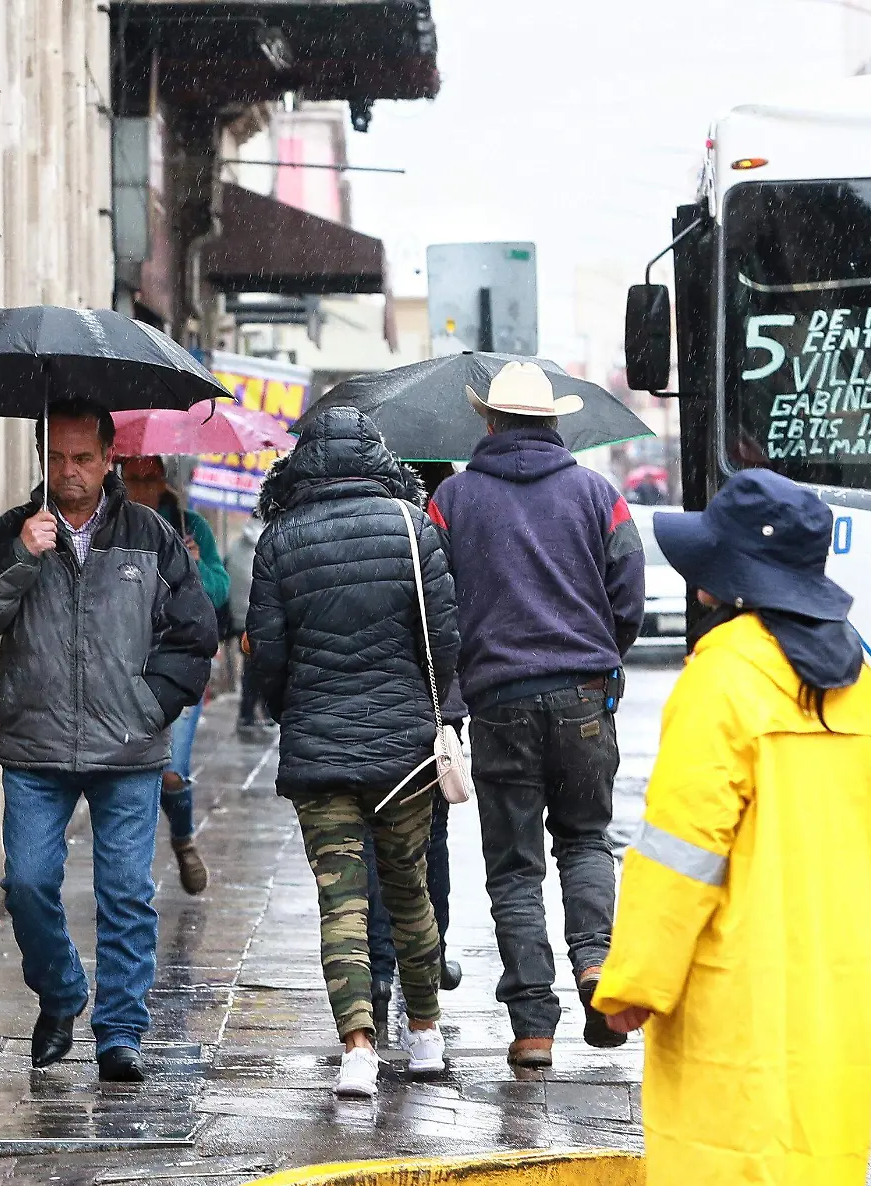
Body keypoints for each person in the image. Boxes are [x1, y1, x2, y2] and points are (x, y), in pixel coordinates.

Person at [592, 469, 871, 1185]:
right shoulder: (865, 697)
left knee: (726, 1155)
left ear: (731, 578)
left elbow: (681, 852)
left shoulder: (724, 681)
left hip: (735, 992)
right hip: (837, 990)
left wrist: (634, 984)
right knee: (816, 1153)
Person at [0, 399, 217, 1084]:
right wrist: (20, 557)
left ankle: (120, 1032)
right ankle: (62, 992)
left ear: (107, 459)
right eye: (58, 459)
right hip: (36, 748)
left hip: (127, 749)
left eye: (84, 459)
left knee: (125, 893)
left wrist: (148, 705)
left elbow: (193, 634)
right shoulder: (14, 533)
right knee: (28, 884)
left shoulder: (151, 536)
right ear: (43, 458)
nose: (70, 473)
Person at [426, 361, 645, 1066]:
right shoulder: (596, 493)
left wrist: (460, 683)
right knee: (584, 842)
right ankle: (596, 968)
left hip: (500, 703)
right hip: (583, 694)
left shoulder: (452, 501)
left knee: (514, 868)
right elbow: (628, 590)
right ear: (554, 422)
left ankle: (532, 1027)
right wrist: (600, 650)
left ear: (487, 422)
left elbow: (437, 604)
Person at [247, 407, 457, 1099]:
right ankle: (425, 1035)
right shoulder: (412, 525)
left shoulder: (279, 539)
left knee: (342, 904)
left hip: (320, 749)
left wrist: (294, 711)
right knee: (408, 893)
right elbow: (444, 639)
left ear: (303, 461)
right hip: (403, 751)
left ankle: (359, 1049)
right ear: (378, 458)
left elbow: (267, 656)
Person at [362, 462, 464, 1035]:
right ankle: (429, 952)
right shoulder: (440, 520)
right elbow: (453, 623)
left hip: (379, 705)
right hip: (432, 703)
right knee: (431, 839)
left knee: (378, 838)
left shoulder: (382, 524)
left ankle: (379, 966)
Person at [119, 454, 229, 896]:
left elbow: (219, 592)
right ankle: (132, 875)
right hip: (126, 669)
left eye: (151, 480)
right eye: (134, 480)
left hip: (176, 667)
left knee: (172, 772)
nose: (143, 489)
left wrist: (195, 564)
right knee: (134, 775)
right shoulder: (115, 525)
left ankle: (182, 837)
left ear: (163, 480)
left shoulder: (191, 525)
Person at [223, 514, 271, 740]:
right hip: (261, 620)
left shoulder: (238, 547)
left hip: (241, 619)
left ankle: (252, 712)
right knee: (259, 668)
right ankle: (252, 712)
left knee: (253, 667)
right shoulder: (269, 544)